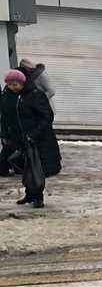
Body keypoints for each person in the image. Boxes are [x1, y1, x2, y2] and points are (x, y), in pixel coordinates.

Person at [1, 69, 60, 208]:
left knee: (36, 169)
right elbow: (5, 117)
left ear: (22, 83)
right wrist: (4, 134)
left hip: (37, 139)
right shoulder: (7, 96)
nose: (12, 87)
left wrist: (35, 134)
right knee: (25, 168)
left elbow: (47, 116)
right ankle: (29, 194)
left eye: (15, 84)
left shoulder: (35, 95)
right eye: (9, 85)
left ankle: (38, 196)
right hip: (18, 138)